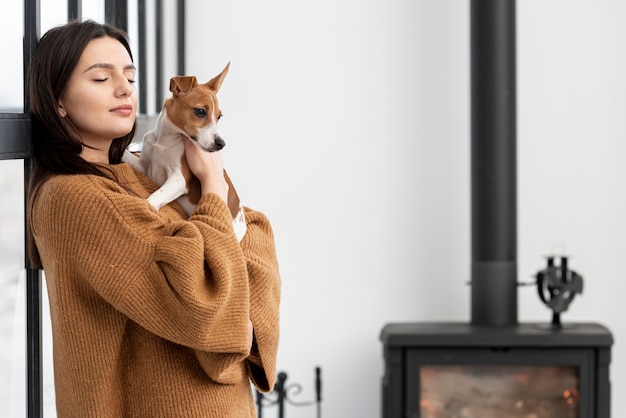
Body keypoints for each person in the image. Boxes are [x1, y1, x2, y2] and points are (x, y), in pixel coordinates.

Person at [26, 20, 280, 417]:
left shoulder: (142, 176)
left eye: (129, 75)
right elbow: (208, 309)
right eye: (100, 77)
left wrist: (231, 289)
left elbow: (256, 232)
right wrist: (213, 185)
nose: (125, 87)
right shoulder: (75, 197)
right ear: (57, 100)